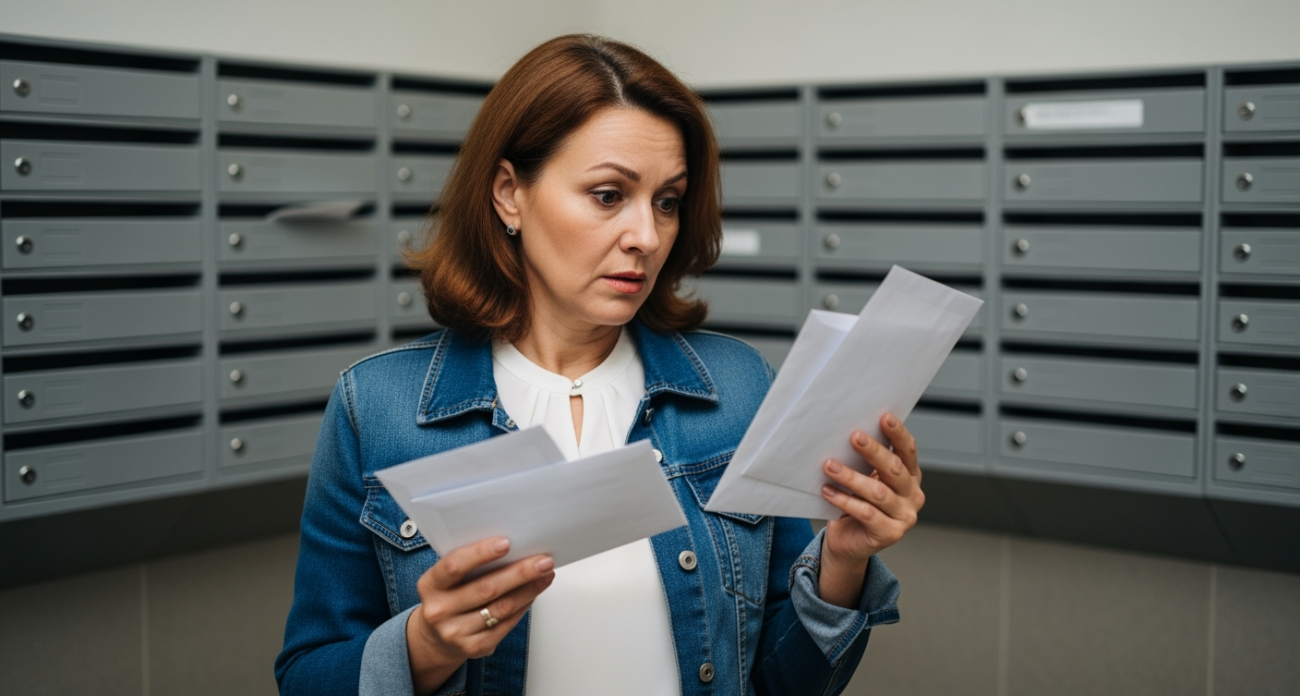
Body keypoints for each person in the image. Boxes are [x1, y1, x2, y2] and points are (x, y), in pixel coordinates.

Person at [275, 34, 925, 696]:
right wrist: (424, 645)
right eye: (609, 195)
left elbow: (787, 683)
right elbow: (306, 675)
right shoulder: (376, 408)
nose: (646, 236)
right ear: (509, 194)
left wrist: (843, 561)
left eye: (666, 201)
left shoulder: (737, 388)